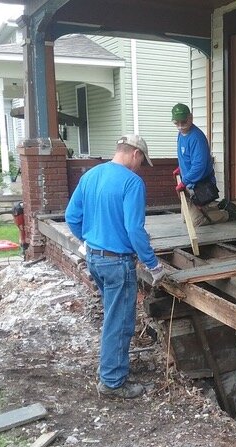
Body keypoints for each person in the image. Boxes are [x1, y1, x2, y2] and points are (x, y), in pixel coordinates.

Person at [65, 134, 165, 399]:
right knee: (119, 322)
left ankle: (111, 369)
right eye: (142, 161)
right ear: (135, 154)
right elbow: (135, 230)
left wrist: (87, 241)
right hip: (117, 263)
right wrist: (153, 265)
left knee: (112, 316)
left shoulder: (90, 175)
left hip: (95, 259)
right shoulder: (132, 182)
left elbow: (72, 217)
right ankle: (112, 382)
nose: (140, 167)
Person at [171, 103, 236, 226]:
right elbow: (186, 156)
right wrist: (180, 168)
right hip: (189, 182)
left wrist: (184, 181)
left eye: (183, 122)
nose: (180, 127)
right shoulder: (181, 135)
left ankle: (228, 213)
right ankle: (217, 207)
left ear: (190, 118)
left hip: (200, 185)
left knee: (195, 221)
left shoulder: (197, 138)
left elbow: (199, 165)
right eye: (177, 123)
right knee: (185, 219)